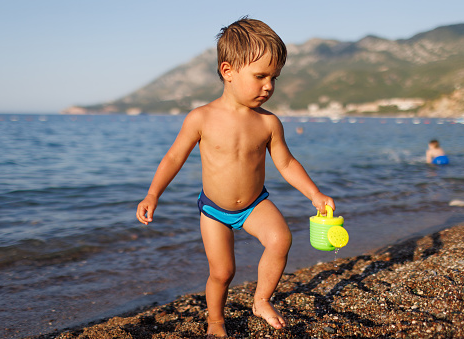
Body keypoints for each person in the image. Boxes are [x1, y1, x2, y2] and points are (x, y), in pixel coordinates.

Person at [136, 17, 335, 338]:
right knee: (222, 272)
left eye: (274, 77)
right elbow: (174, 157)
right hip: (214, 209)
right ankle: (215, 321)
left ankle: (261, 300)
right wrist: (152, 194)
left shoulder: (269, 123)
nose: (269, 85)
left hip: (255, 203)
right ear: (228, 71)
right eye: (260, 76)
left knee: (280, 239)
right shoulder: (201, 118)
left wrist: (314, 193)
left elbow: (285, 162)